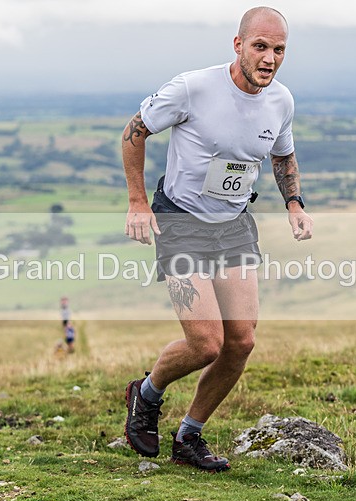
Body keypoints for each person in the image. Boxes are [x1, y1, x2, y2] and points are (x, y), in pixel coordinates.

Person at [122, 6, 312, 472]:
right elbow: (134, 132)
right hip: (182, 221)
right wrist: (137, 202)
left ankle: (190, 436)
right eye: (261, 47)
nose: (269, 59)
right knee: (206, 342)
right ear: (238, 45)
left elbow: (283, 156)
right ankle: (145, 395)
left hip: (233, 224)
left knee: (241, 342)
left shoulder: (281, 100)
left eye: (279, 50)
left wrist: (294, 204)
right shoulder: (194, 87)